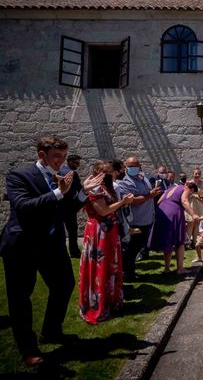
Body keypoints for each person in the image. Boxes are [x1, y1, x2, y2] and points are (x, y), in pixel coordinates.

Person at [0, 135, 101, 366]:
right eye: (57, 157)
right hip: (21, 245)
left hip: (51, 244)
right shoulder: (19, 175)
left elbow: (68, 210)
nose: (60, 161)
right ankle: (28, 349)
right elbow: (24, 207)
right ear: (42, 155)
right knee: (20, 299)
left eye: (64, 157)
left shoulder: (66, 177)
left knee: (64, 284)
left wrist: (83, 191)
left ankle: (51, 331)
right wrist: (57, 192)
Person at [78, 161, 134, 324]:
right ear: (99, 173)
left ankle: (111, 300)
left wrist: (125, 202)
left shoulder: (106, 187)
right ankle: (97, 304)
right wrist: (123, 202)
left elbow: (111, 207)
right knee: (100, 267)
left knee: (111, 265)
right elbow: (102, 210)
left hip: (110, 230)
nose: (112, 174)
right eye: (108, 172)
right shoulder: (95, 189)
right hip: (99, 231)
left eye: (111, 172)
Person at [118, 156, 161, 282]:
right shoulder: (124, 182)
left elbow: (148, 192)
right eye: (130, 166)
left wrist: (152, 193)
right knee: (131, 250)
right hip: (135, 221)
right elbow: (132, 201)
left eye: (135, 165)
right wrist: (150, 195)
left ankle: (131, 272)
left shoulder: (142, 178)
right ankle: (127, 274)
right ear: (125, 167)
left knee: (137, 247)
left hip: (147, 219)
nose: (133, 168)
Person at [148, 180, 203, 274]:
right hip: (174, 213)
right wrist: (193, 214)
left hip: (161, 212)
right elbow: (185, 201)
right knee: (180, 242)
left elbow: (159, 201)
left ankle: (166, 268)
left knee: (168, 241)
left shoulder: (171, 188)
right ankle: (180, 269)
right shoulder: (186, 189)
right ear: (192, 189)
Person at [59, 154, 83, 257]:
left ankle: (61, 251)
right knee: (72, 231)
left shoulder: (60, 171)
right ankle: (74, 252)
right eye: (76, 163)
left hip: (59, 205)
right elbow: (79, 188)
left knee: (60, 231)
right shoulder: (72, 173)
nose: (78, 165)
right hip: (69, 206)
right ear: (70, 162)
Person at [184, 182, 203, 249]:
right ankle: (188, 243)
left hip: (198, 210)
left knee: (197, 226)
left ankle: (194, 242)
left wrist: (198, 197)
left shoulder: (199, 191)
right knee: (190, 227)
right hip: (190, 210)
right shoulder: (186, 192)